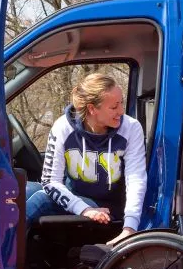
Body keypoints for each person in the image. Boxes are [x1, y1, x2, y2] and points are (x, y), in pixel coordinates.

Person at [25, 73, 147, 246]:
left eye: (121, 103)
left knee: (40, 200)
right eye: (114, 107)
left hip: (107, 206)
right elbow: (50, 181)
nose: (121, 111)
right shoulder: (63, 127)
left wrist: (130, 227)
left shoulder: (131, 128)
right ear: (92, 109)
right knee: (22, 191)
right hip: (76, 198)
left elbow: (136, 179)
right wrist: (83, 209)